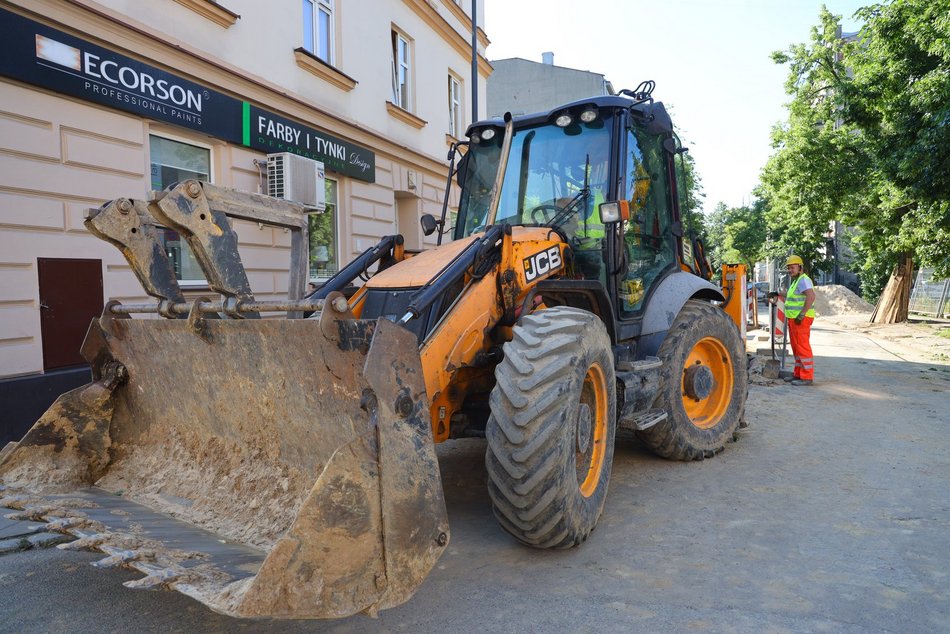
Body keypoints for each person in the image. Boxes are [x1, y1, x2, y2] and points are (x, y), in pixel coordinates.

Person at [769, 255, 816, 386]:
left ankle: (807, 377)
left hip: (801, 319)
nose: (790, 270)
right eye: (789, 268)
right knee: (796, 347)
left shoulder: (803, 280)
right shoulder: (797, 281)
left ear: (800, 267)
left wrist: (802, 314)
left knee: (802, 347)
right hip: (795, 319)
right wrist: (777, 294)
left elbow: (811, 296)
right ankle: (798, 374)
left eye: (792, 267)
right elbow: (791, 296)